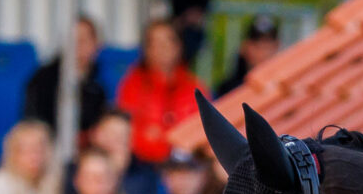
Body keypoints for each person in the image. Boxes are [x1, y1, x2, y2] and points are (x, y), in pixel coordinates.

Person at [115, 17, 200, 170]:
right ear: (146, 49)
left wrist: (159, 135)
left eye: (168, 41)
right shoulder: (132, 84)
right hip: (139, 166)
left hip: (182, 168)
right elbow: (126, 131)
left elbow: (197, 132)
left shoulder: (194, 87)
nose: (162, 48)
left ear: (179, 46)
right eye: (154, 43)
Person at [22, 15, 108, 144]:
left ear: (96, 45)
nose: (78, 46)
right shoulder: (43, 79)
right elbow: (34, 123)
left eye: (84, 39)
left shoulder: (100, 83)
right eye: (73, 40)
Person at [216, 12, 280, 95]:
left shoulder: (284, 84)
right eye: (258, 46)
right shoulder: (228, 88)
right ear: (245, 47)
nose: (265, 53)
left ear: (277, 46)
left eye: (269, 46)